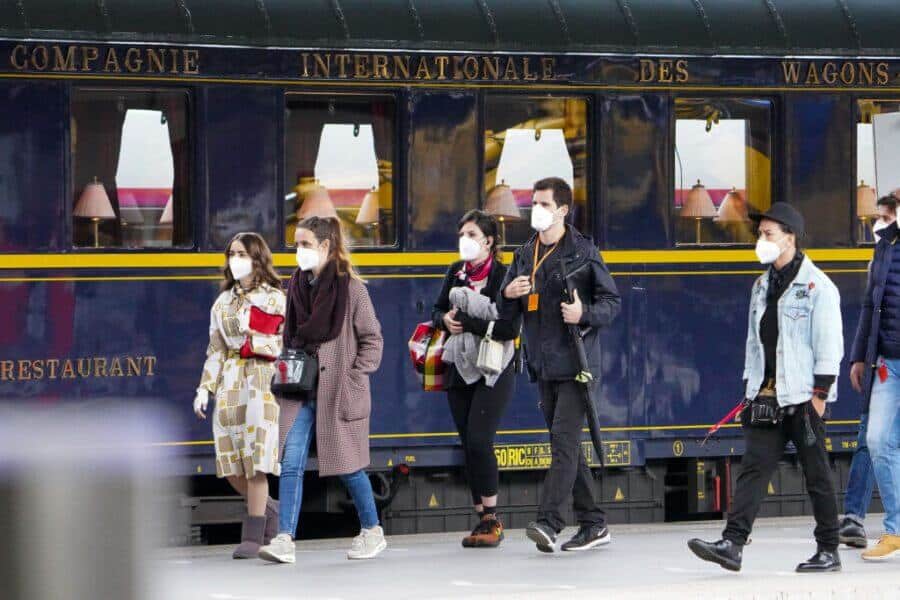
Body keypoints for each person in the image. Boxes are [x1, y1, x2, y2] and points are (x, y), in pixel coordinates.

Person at [688, 203, 844, 573]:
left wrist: (819, 396)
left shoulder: (817, 286)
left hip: (804, 397)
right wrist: (750, 389)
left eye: (768, 234)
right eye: (760, 234)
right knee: (753, 469)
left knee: (816, 473)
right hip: (767, 395)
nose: (761, 241)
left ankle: (829, 549)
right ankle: (732, 544)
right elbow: (753, 344)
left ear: (789, 237)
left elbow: (829, 345)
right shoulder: (761, 286)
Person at [499, 177, 621, 553]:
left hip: (577, 365)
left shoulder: (584, 252)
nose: (535, 209)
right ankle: (594, 523)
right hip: (543, 366)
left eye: (544, 204)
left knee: (564, 442)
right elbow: (506, 317)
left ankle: (549, 522)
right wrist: (508, 294)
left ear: (563, 210)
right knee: (567, 445)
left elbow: (611, 303)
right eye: (534, 202)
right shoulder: (524, 254)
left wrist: (584, 313)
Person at [258, 216, 386, 564]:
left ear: (326, 246)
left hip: (338, 390)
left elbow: (373, 340)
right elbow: (290, 336)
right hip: (300, 389)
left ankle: (372, 530)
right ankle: (284, 539)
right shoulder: (296, 286)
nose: (298, 252)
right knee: (291, 462)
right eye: (296, 244)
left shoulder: (352, 290)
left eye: (305, 245)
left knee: (348, 466)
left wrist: (356, 377)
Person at [194, 232, 286, 559]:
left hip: (261, 381)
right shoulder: (222, 303)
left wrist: (254, 341)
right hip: (230, 382)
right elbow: (216, 349)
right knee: (232, 464)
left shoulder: (274, 298)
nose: (235, 259)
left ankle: (254, 534)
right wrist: (204, 388)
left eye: (242, 253)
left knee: (256, 462)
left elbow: (281, 343)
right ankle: (272, 512)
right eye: (231, 253)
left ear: (257, 258)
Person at [432, 210, 520, 547]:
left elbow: (510, 327)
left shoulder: (503, 275)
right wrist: (446, 322)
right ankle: (481, 517)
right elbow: (437, 310)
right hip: (460, 365)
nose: (464, 241)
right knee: (468, 442)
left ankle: (492, 518)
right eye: (462, 234)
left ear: (489, 240)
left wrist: (467, 321)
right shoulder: (455, 272)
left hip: (495, 369)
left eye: (471, 234)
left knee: (481, 439)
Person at [841, 194, 897, 548]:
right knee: (871, 437)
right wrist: (858, 356)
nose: (880, 222)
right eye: (879, 216)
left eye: (887, 215)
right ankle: (857, 517)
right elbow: (868, 304)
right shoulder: (882, 251)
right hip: (886, 360)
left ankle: (856, 517)